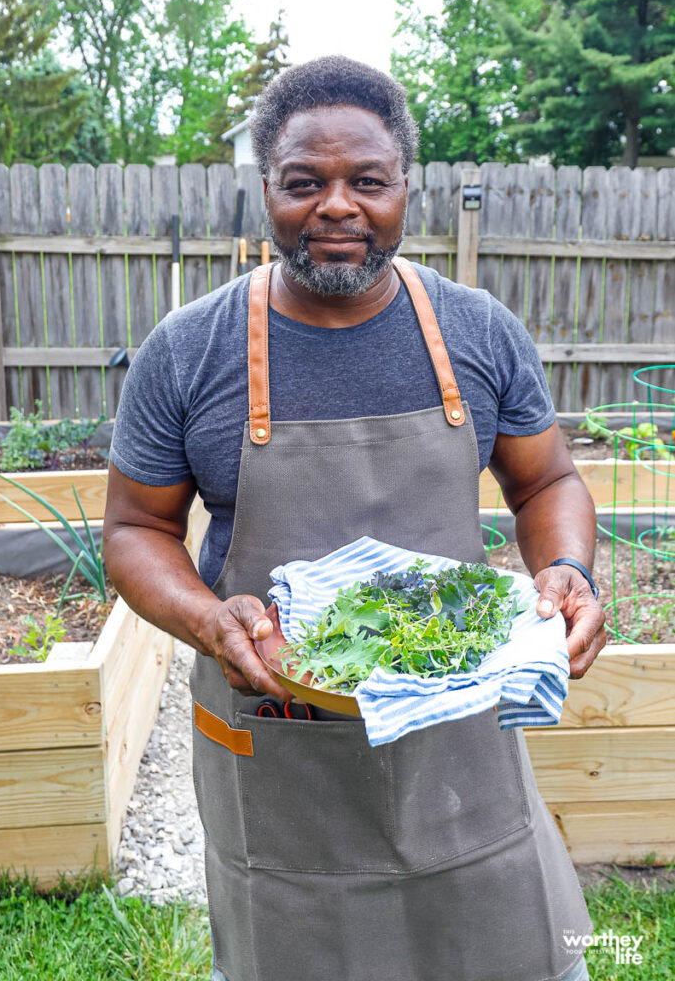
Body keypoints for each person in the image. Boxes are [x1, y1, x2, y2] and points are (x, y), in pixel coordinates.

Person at [103, 56, 606, 981]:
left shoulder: (478, 330)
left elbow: (545, 484)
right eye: (305, 183)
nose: (337, 205)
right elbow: (134, 530)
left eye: (366, 181)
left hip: (452, 727)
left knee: (511, 944)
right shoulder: (189, 350)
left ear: (403, 188)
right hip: (278, 730)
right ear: (267, 191)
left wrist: (567, 569)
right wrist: (207, 617)